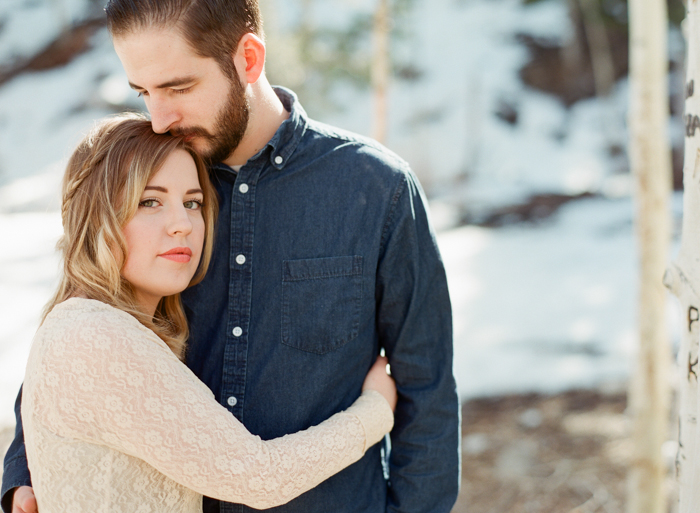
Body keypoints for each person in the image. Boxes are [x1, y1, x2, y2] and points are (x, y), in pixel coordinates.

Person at [2, 1, 461, 512]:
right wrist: (29, 470)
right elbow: (86, 331)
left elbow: (427, 386)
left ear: (247, 58)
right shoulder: (150, 189)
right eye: (144, 92)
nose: (160, 118)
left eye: (178, 88)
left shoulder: (378, 189)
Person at [17, 113, 397, 512]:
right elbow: (259, 478)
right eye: (150, 201)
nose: (182, 224)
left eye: (193, 203)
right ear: (96, 216)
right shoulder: (95, 335)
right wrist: (373, 411)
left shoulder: (89, 325)